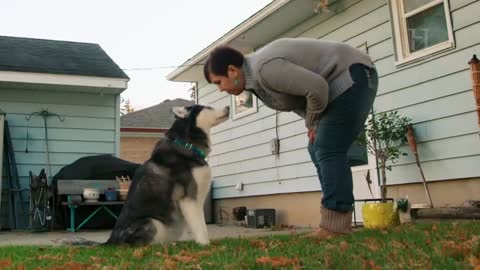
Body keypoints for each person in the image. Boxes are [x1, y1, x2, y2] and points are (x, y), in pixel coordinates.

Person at [203, 38, 378, 238]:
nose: (221, 89)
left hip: (353, 74)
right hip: (342, 85)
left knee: (327, 147)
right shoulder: (255, 82)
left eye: (219, 82)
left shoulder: (264, 69)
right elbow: (299, 99)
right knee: (316, 147)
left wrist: (312, 122)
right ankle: (334, 222)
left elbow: (317, 88)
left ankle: (335, 226)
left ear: (232, 71)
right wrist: (312, 122)